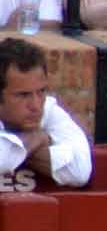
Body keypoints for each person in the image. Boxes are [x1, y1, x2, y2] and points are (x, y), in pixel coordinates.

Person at [0, 38, 92, 187]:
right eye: (23, 95)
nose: (36, 106)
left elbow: (79, 172)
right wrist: (36, 138)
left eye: (41, 92)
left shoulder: (49, 110)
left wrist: (14, 151)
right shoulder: (39, 124)